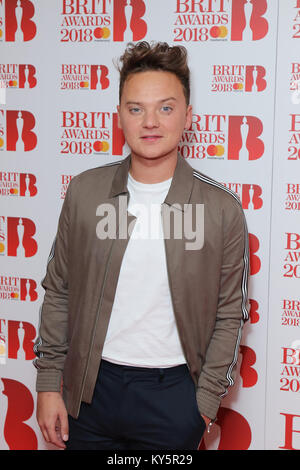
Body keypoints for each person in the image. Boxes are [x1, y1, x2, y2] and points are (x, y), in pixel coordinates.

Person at [33, 41, 250, 450]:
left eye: (165, 108)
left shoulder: (221, 210)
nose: (150, 121)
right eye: (136, 108)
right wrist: (48, 385)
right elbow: (58, 290)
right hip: (89, 393)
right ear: (120, 117)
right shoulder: (86, 193)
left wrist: (202, 405)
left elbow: (230, 314)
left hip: (173, 397)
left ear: (189, 117)